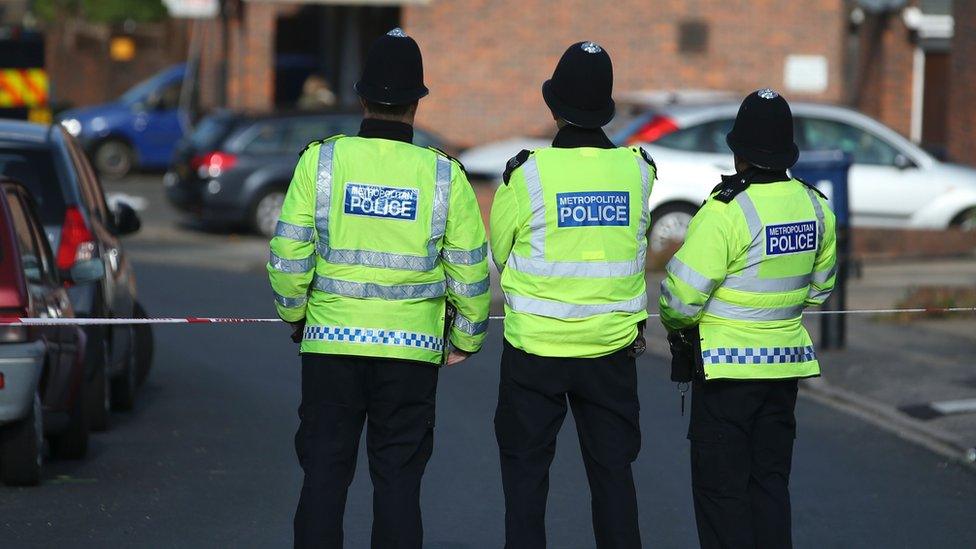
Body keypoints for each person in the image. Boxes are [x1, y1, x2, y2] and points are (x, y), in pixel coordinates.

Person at [267, 28, 490, 549]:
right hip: (411, 354)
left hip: (331, 347)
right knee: (398, 482)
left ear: (362, 96)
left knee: (324, 477)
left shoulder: (321, 161)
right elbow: (471, 272)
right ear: (417, 102)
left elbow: (287, 256)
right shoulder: (444, 175)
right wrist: (466, 338)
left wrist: (296, 314)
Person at [489, 41, 654, 549]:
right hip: (610, 350)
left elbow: (499, 250)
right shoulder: (638, 170)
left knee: (525, 479)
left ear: (554, 107)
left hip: (536, 351)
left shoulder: (528, 173)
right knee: (613, 477)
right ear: (605, 109)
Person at [659, 89, 837, 549]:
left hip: (726, 374)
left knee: (722, 496)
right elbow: (819, 292)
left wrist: (680, 326)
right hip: (783, 370)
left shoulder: (726, 210)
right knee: (770, 486)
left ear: (737, 151)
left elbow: (680, 297)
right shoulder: (816, 206)